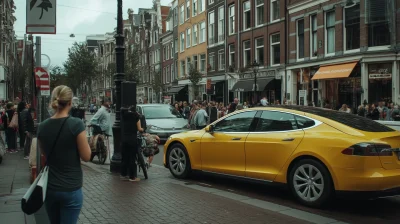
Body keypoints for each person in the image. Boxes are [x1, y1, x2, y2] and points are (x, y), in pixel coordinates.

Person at [38, 85, 91, 224]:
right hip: (70, 188)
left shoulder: (42, 126)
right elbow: (86, 156)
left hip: (50, 187)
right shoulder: (76, 124)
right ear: (70, 102)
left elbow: (44, 154)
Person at [121, 106, 144, 182]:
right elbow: (139, 129)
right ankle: (132, 177)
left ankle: (123, 174)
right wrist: (142, 129)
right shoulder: (136, 117)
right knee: (132, 158)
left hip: (124, 139)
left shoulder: (124, 116)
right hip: (132, 139)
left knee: (125, 157)